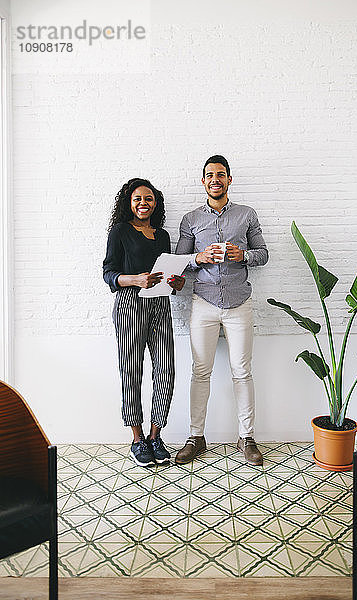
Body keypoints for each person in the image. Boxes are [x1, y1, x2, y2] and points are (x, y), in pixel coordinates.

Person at [175, 155, 268, 466]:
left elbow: (263, 254)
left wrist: (242, 254)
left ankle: (247, 437)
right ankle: (196, 437)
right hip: (203, 302)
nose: (215, 179)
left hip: (239, 302)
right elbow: (178, 263)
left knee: (242, 372)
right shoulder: (190, 219)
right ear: (203, 182)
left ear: (230, 180)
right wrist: (199, 257)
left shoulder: (247, 215)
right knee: (200, 372)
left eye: (221, 175)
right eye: (210, 175)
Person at [103, 178, 185, 467]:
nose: (143, 203)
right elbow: (108, 273)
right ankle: (137, 439)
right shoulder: (120, 231)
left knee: (166, 369)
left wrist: (178, 281)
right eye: (137, 199)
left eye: (148, 199)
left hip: (161, 303)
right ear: (129, 203)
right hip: (130, 305)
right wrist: (135, 279)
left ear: (155, 203)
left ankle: (155, 436)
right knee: (131, 371)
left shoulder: (162, 235)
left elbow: (169, 273)